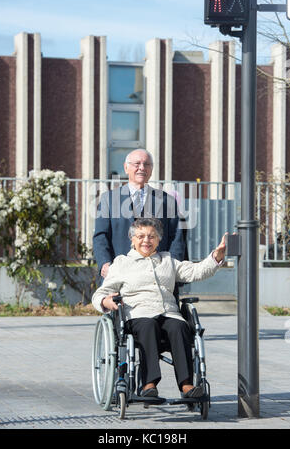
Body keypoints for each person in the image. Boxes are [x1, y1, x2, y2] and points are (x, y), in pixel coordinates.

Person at [92, 218, 226, 398]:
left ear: (158, 240)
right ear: (132, 239)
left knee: (179, 326)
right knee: (148, 325)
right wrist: (105, 302)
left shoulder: (168, 260)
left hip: (168, 313)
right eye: (140, 236)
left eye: (151, 236)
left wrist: (216, 256)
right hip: (138, 315)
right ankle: (149, 384)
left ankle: (187, 386)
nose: (146, 240)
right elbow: (101, 293)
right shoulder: (122, 263)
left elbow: (196, 271)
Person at [93, 149, 186, 280]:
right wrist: (105, 263)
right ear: (126, 168)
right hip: (120, 276)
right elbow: (100, 236)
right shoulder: (108, 199)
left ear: (151, 169)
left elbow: (176, 237)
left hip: (157, 277)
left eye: (146, 164)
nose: (142, 168)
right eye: (137, 164)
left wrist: (171, 265)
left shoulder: (167, 201)